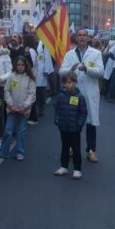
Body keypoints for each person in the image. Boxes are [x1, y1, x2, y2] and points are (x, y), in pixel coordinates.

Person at [59, 29, 104, 163]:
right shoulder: (69, 54)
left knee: (91, 122)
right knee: (73, 121)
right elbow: (61, 71)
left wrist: (87, 69)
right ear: (76, 38)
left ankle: (91, 151)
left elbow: (101, 72)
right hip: (73, 94)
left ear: (88, 38)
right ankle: (72, 148)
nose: (82, 38)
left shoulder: (96, 53)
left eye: (84, 35)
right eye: (80, 35)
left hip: (90, 92)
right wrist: (71, 69)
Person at [0, 56, 35, 160]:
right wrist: (10, 104)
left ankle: (20, 152)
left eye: (22, 65)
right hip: (12, 108)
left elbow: (32, 94)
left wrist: (25, 106)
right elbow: (7, 90)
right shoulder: (11, 76)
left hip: (24, 110)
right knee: (8, 130)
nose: (20, 67)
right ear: (15, 66)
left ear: (26, 66)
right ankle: (4, 152)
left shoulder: (30, 78)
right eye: (18, 65)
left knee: (21, 131)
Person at [53, 72, 88, 179]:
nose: (68, 85)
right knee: (65, 148)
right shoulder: (60, 97)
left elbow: (83, 113)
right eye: (66, 83)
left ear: (75, 83)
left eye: (71, 82)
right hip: (64, 127)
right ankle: (64, 166)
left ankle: (77, 169)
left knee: (76, 149)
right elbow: (57, 110)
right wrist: (57, 120)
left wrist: (79, 124)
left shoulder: (80, 97)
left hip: (75, 129)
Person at [0, 35, 13, 150]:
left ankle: (1, 137)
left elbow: (10, 71)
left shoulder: (4, 55)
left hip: (0, 88)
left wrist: (1, 78)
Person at [31, 38, 53, 122]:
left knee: (41, 92)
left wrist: (46, 70)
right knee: (34, 92)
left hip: (41, 72)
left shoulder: (44, 45)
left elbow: (47, 58)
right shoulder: (31, 46)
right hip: (34, 72)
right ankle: (35, 109)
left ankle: (41, 109)